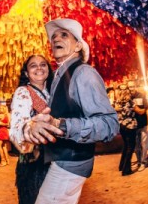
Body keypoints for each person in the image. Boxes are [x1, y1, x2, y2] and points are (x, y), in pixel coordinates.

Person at [23, 18, 119, 203]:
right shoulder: (60, 75)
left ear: (77, 47)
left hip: (71, 163)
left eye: (64, 35)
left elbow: (109, 124)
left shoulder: (83, 73)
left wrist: (61, 125)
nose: (56, 39)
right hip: (62, 160)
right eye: (54, 36)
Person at [9, 54, 53, 204]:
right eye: (33, 65)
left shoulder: (51, 93)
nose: (39, 68)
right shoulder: (23, 92)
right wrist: (29, 129)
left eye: (43, 64)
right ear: (27, 73)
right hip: (35, 165)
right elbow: (16, 128)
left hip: (54, 161)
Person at [128, 81, 148, 172]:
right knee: (136, 146)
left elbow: (147, 109)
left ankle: (143, 162)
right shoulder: (127, 98)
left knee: (144, 144)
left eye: (132, 86)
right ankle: (140, 162)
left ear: (135, 86)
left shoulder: (141, 95)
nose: (131, 89)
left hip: (143, 123)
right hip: (133, 125)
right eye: (129, 87)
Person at [116, 88, 138, 176]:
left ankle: (121, 165)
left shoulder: (117, 102)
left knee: (126, 145)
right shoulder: (130, 102)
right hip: (130, 126)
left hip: (121, 126)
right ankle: (126, 170)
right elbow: (138, 111)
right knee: (130, 147)